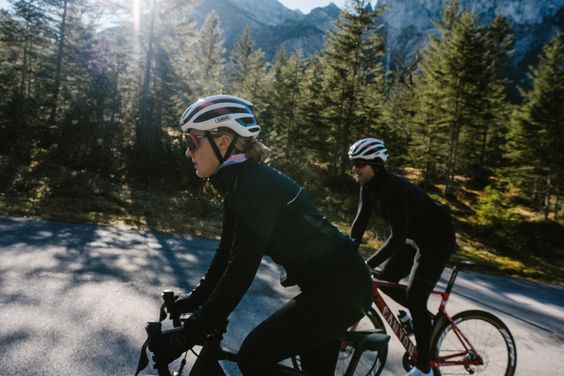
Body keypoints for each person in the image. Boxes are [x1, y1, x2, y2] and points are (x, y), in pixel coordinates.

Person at [150, 95, 373, 376]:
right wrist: (195, 300)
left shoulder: (254, 187)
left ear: (222, 142)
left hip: (341, 290)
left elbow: (242, 270)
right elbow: (227, 255)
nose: (187, 152)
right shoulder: (240, 183)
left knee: (254, 357)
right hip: (328, 287)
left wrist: (191, 332)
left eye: (192, 142)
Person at [348, 138, 456, 376]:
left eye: (359, 163)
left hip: (437, 239)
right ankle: (424, 321)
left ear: (375, 164)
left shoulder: (392, 190)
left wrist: (368, 264)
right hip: (415, 238)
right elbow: (359, 224)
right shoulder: (367, 186)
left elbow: (397, 238)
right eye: (353, 163)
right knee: (386, 280)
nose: (354, 168)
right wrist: (346, 253)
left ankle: (424, 368)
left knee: (416, 297)